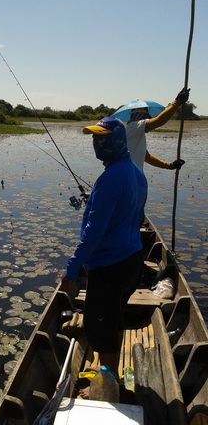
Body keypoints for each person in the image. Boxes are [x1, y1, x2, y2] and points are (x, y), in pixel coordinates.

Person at [61, 116, 148, 381]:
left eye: (102, 138)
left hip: (110, 265)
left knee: (100, 326)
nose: (97, 143)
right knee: (114, 316)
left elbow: (94, 233)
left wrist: (71, 270)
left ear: (116, 141)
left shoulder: (110, 178)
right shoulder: (135, 172)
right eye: (94, 138)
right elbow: (135, 214)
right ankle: (108, 371)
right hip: (132, 258)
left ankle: (107, 383)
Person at [125, 88, 190, 171]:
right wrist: (176, 103)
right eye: (146, 114)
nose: (148, 117)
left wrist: (169, 165)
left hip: (132, 176)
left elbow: (147, 157)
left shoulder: (132, 130)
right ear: (140, 115)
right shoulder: (135, 126)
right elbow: (159, 121)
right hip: (129, 176)